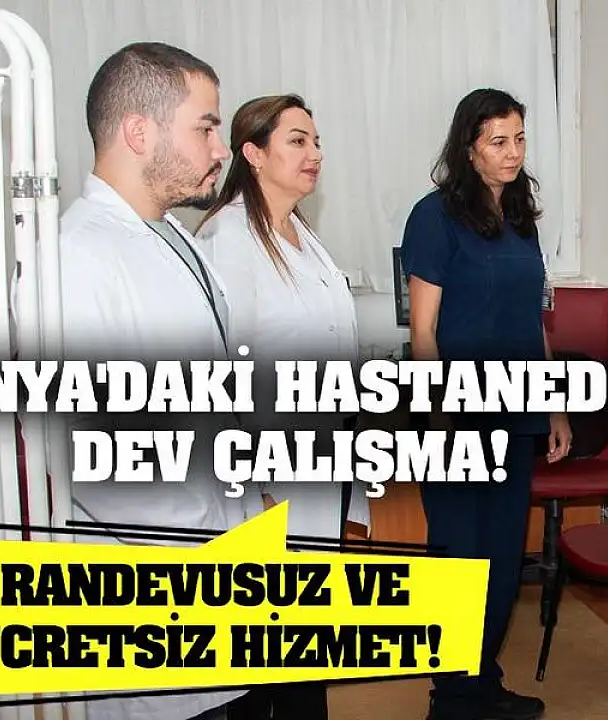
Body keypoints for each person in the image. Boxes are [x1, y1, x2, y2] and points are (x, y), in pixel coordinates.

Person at [49, 42, 248, 719]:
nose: (220, 148)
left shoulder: (173, 237)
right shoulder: (77, 261)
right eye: (205, 126)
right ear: (139, 131)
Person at [400, 87, 572, 720]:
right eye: (498, 141)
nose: (512, 152)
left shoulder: (523, 219)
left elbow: (534, 323)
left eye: (519, 138)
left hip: (516, 414)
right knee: (459, 561)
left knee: (501, 563)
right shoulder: (434, 217)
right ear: (468, 149)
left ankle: (483, 683)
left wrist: (553, 406)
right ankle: (450, 699)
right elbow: (424, 331)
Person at [194, 93, 363, 720]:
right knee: (262, 657)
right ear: (253, 153)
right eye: (296, 140)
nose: (314, 153)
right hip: (267, 477)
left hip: (320, 465)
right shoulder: (229, 237)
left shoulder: (301, 233)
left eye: (316, 141)